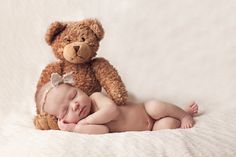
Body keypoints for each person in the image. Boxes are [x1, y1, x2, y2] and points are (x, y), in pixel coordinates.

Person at [35, 72, 198, 134]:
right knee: (167, 126)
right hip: (151, 128)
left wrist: (86, 120)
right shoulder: (83, 125)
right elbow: (103, 130)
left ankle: (183, 114)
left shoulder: (95, 97)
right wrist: (76, 128)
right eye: (65, 111)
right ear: (61, 120)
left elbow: (112, 111)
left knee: (155, 107)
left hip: (145, 111)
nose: (75, 105)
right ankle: (176, 117)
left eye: (73, 95)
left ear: (80, 89)